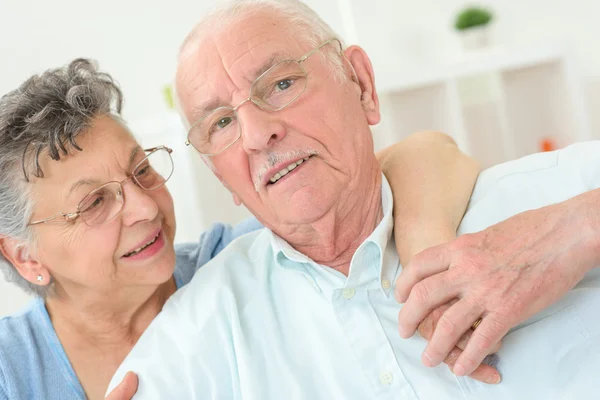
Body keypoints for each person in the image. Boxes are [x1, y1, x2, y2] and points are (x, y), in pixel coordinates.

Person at [107, 1, 600, 399]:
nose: (257, 135)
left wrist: (575, 231)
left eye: (280, 84)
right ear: (219, 174)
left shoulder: (551, 196)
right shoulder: (198, 333)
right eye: (221, 123)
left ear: (361, 84)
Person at [0, 59, 482, 400]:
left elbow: (426, 152)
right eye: (95, 203)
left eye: (141, 170)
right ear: (26, 257)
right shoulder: (10, 371)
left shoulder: (241, 263)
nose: (145, 207)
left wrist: (425, 249)